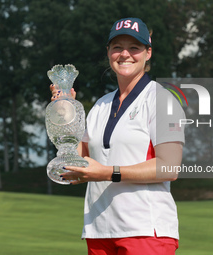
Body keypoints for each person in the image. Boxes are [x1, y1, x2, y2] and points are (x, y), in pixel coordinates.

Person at [50, 17, 185, 255]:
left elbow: (169, 168)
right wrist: (67, 114)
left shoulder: (162, 100)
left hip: (145, 231)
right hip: (99, 231)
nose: (125, 54)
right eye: (117, 47)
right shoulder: (100, 106)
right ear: (109, 52)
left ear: (148, 53)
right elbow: (75, 166)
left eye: (134, 47)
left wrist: (106, 172)